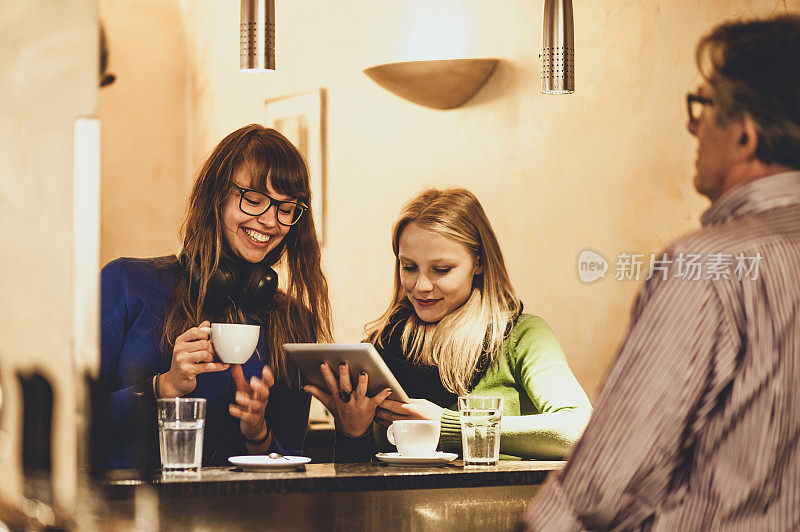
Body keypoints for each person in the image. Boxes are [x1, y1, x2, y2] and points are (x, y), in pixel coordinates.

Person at [524, 14, 800, 530]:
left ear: (745, 135)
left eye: (704, 106)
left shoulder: (706, 268)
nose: (693, 126)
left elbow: (603, 485)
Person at [100, 124, 331, 468]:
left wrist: (259, 435)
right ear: (216, 195)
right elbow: (70, 420)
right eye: (253, 200)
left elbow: (289, 462)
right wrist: (163, 387)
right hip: (128, 515)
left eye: (286, 209)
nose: (270, 221)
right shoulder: (125, 282)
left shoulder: (294, 319)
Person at [305, 187, 592, 461]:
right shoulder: (379, 348)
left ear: (478, 263)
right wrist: (352, 432)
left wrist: (450, 426)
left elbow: (578, 431)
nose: (421, 285)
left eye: (441, 270)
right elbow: (359, 486)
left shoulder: (522, 336)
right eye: (409, 267)